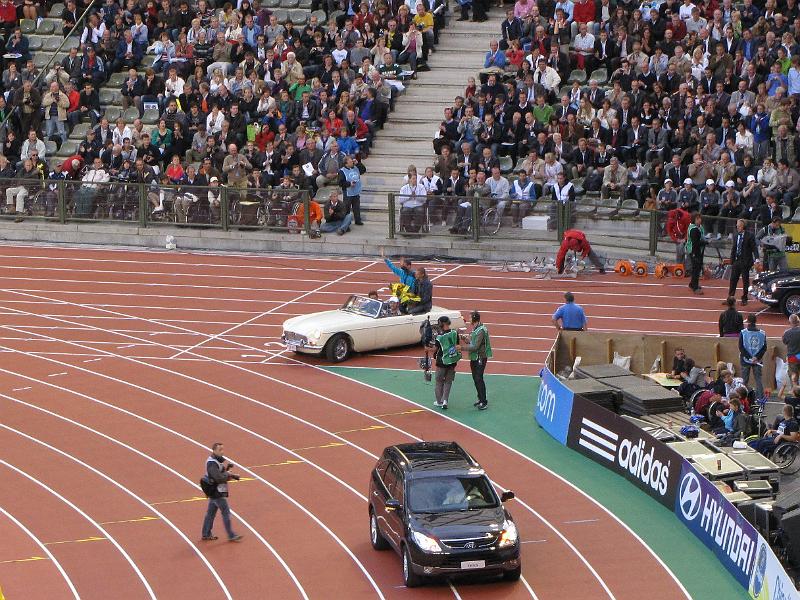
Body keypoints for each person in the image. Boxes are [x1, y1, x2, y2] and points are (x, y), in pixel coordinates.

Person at [201, 442, 243, 542]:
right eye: (220, 450)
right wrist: (228, 475)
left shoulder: (216, 461)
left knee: (210, 514)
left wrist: (232, 475)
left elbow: (222, 472)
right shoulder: (211, 463)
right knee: (226, 513)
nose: (222, 452)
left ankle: (206, 534)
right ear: (214, 450)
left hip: (215, 492)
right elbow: (218, 478)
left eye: (223, 449)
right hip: (216, 493)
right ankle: (231, 535)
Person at [460, 310, 492, 410]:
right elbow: (473, 343)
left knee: (479, 378)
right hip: (474, 357)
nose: (469, 319)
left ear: (474, 319)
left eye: (470, 318)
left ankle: (484, 401)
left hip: (480, 357)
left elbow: (476, 347)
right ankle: (480, 398)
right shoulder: (476, 329)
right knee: (475, 378)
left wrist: (461, 348)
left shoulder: (481, 330)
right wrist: (466, 340)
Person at [728, 219, 758, 305]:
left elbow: (754, 248)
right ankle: (730, 297)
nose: (737, 227)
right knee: (733, 279)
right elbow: (734, 248)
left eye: (739, 226)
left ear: (744, 226)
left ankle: (744, 298)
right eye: (737, 225)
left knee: (745, 280)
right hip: (736, 260)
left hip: (745, 261)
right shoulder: (736, 235)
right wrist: (732, 260)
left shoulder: (750, 235)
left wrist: (757, 259)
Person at [433, 315, 460, 409]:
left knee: (439, 381)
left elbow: (435, 349)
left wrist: (427, 348)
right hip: (452, 361)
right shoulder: (454, 333)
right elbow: (457, 345)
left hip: (442, 362)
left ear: (442, 323)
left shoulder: (440, 337)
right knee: (448, 381)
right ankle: (445, 401)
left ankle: (439, 401)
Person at [740, 314, 767, 399]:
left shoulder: (743, 333)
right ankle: (760, 398)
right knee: (758, 379)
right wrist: (756, 358)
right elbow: (764, 347)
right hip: (757, 361)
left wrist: (749, 357)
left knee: (744, 380)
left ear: (747, 321)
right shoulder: (762, 333)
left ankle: (743, 397)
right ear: (756, 321)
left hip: (745, 360)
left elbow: (741, 347)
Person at [686, 212, 706, 295]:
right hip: (694, 250)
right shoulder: (694, 229)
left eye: (700, 218)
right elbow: (696, 243)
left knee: (697, 267)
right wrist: (705, 242)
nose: (699, 220)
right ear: (694, 220)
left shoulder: (699, 227)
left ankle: (692, 284)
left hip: (699, 250)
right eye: (697, 219)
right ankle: (695, 287)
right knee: (696, 269)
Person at [784, 314, 800, 387]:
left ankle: (796, 394)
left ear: (790, 322)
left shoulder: (787, 333)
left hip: (792, 357)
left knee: (794, 377)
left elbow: (785, 342)